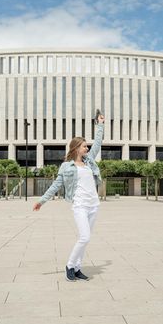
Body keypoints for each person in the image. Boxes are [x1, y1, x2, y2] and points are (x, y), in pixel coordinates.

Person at [33, 114, 105, 281]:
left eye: (87, 146)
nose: (87, 149)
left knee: (86, 239)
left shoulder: (89, 162)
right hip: (80, 205)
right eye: (84, 146)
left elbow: (98, 144)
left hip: (94, 205)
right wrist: (42, 201)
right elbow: (56, 185)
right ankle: (69, 265)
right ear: (76, 148)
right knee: (84, 237)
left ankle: (77, 268)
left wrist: (100, 125)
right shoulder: (67, 166)